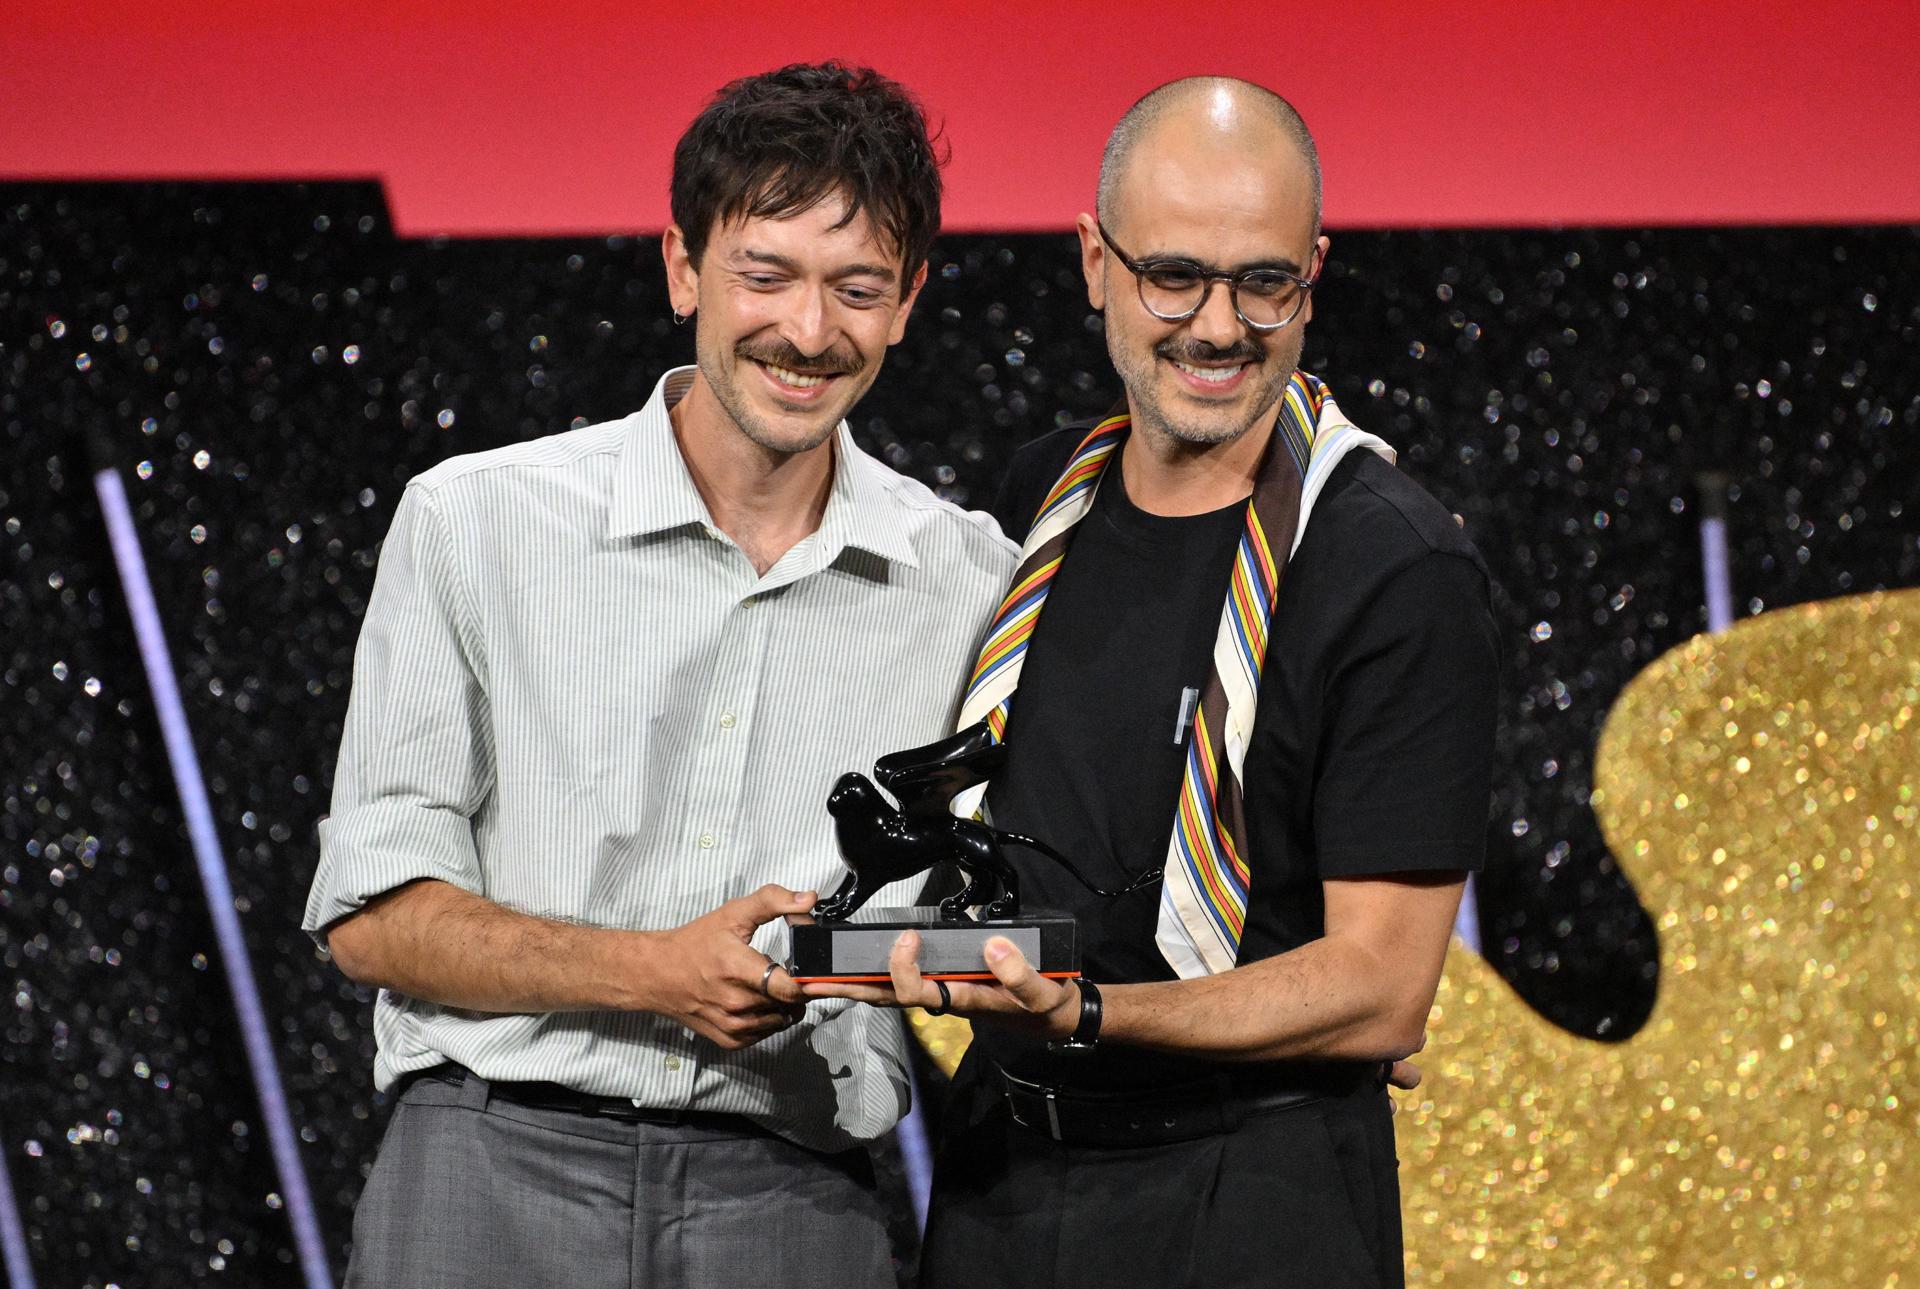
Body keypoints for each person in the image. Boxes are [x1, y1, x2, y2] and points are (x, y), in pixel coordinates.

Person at [301, 62, 1016, 1288]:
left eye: (856, 287)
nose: (808, 330)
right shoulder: (476, 522)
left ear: (909, 302)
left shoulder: (974, 581)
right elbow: (373, 917)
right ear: (683, 265)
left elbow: (1002, 903)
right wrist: (650, 970)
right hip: (487, 1177)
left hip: (794, 1196)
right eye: (765, 274)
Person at [807, 77, 1499, 1288]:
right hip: (1001, 1187)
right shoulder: (1039, 506)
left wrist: (1086, 1015)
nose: (1218, 326)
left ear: (1313, 272)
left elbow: (1381, 992)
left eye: (1263, 281)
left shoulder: (1393, 563)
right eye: (1173, 275)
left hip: (1257, 1197)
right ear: (1094, 263)